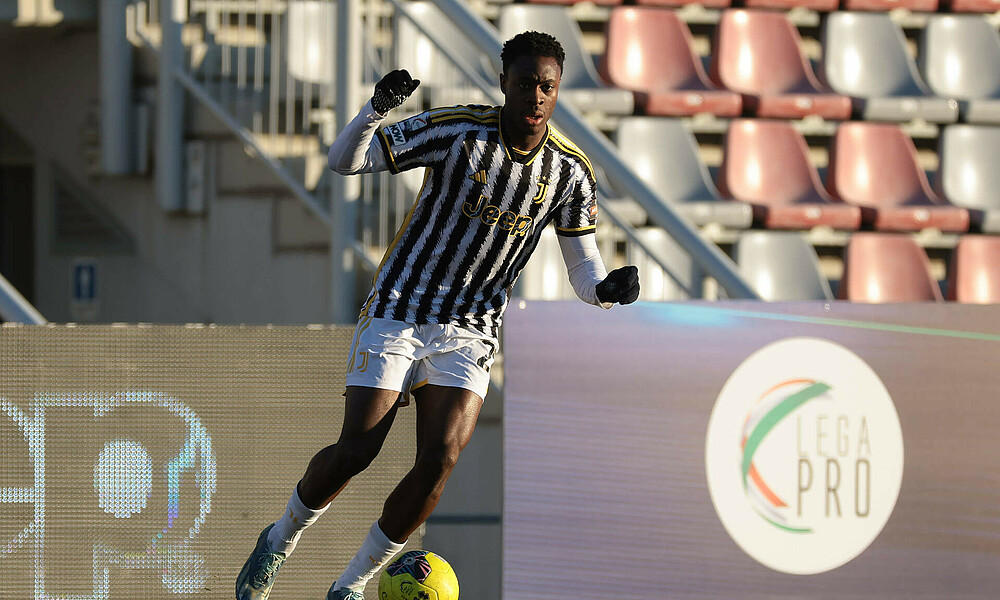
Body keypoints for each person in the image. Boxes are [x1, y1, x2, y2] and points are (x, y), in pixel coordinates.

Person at [236, 30, 640, 600]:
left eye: (546, 87)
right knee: (359, 448)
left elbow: (583, 264)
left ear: (557, 92)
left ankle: (350, 586)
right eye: (524, 84)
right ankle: (277, 541)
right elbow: (344, 162)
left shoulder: (570, 171)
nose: (535, 96)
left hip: (471, 327)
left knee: (440, 460)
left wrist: (606, 289)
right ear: (504, 83)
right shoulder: (457, 131)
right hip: (402, 305)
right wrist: (373, 112)